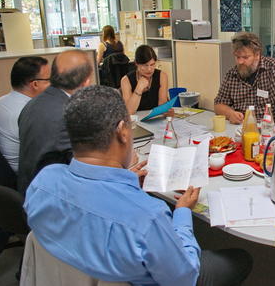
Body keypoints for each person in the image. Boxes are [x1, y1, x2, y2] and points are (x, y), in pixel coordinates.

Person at [24, 85, 253, 286]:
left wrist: (124, 179)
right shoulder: (147, 216)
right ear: (123, 131)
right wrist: (182, 212)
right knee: (240, 259)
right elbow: (184, 277)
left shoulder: (42, 183)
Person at [17, 49, 93, 195]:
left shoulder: (32, 103)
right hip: (50, 199)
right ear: (86, 82)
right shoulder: (70, 115)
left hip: (29, 189)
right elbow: (85, 169)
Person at [214, 32, 275, 125]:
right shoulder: (232, 74)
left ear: (257, 54)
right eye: (237, 57)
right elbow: (218, 104)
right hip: (243, 128)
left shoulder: (273, 68)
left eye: (245, 57)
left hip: (268, 129)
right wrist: (230, 114)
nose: (240, 61)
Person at [0, 57, 50, 173]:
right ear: (35, 84)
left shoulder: (1, 102)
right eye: (48, 80)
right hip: (27, 176)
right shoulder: (33, 113)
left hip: (6, 174)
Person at [121, 45, 171, 115]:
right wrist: (139, 88)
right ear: (136, 64)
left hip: (155, 118)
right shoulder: (126, 80)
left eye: (152, 64)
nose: (149, 69)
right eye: (145, 65)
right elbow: (129, 112)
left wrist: (167, 111)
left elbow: (161, 106)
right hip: (135, 120)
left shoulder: (162, 76)